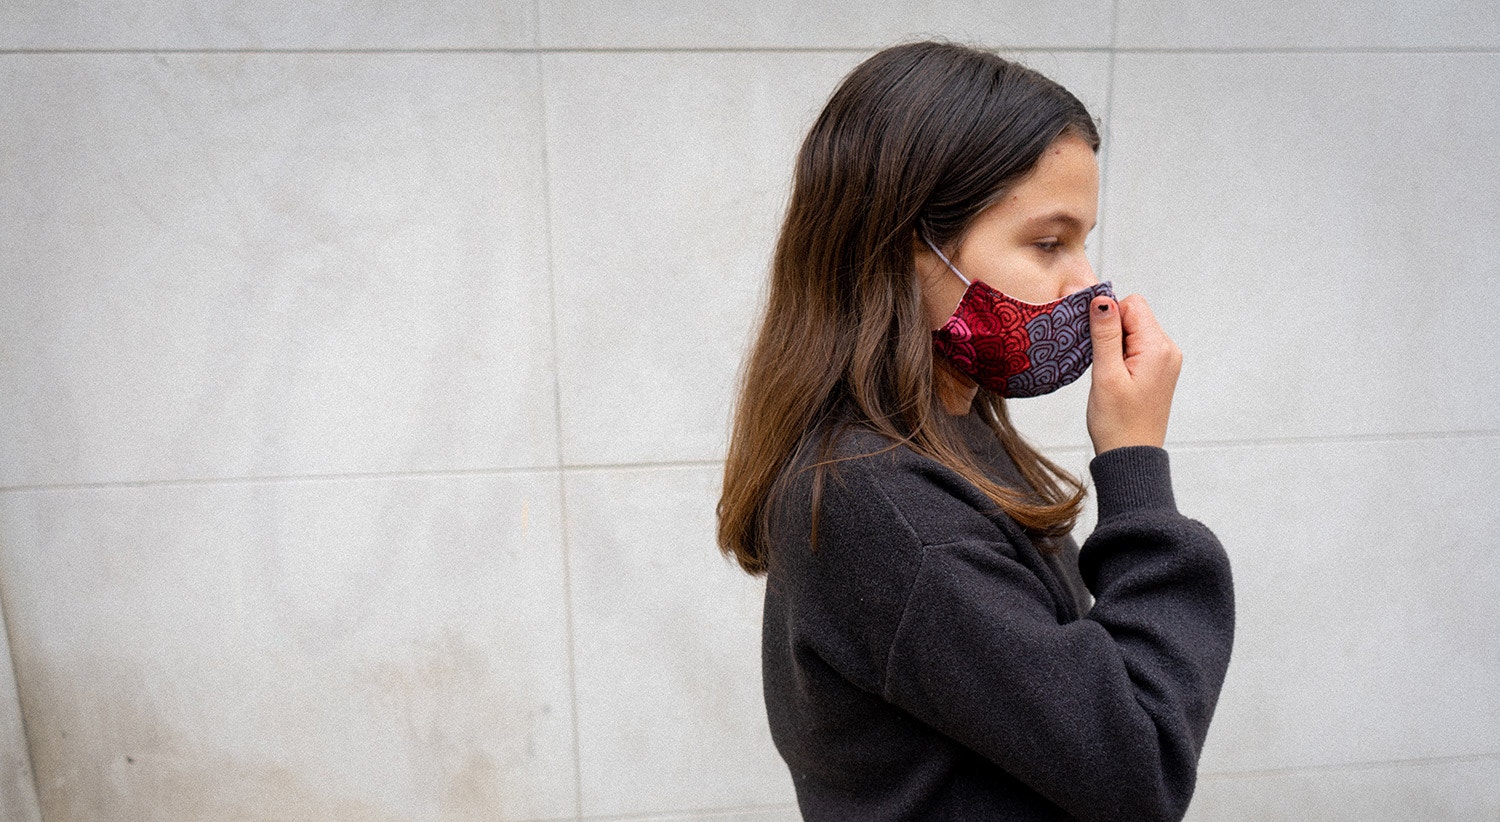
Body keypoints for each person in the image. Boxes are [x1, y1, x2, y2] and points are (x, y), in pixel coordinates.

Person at [716, 41, 1235, 821]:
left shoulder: (948, 442)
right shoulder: (881, 504)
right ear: (904, 248)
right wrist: (1136, 471)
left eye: (1085, 240)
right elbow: (1141, 768)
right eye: (1048, 242)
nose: (1086, 283)